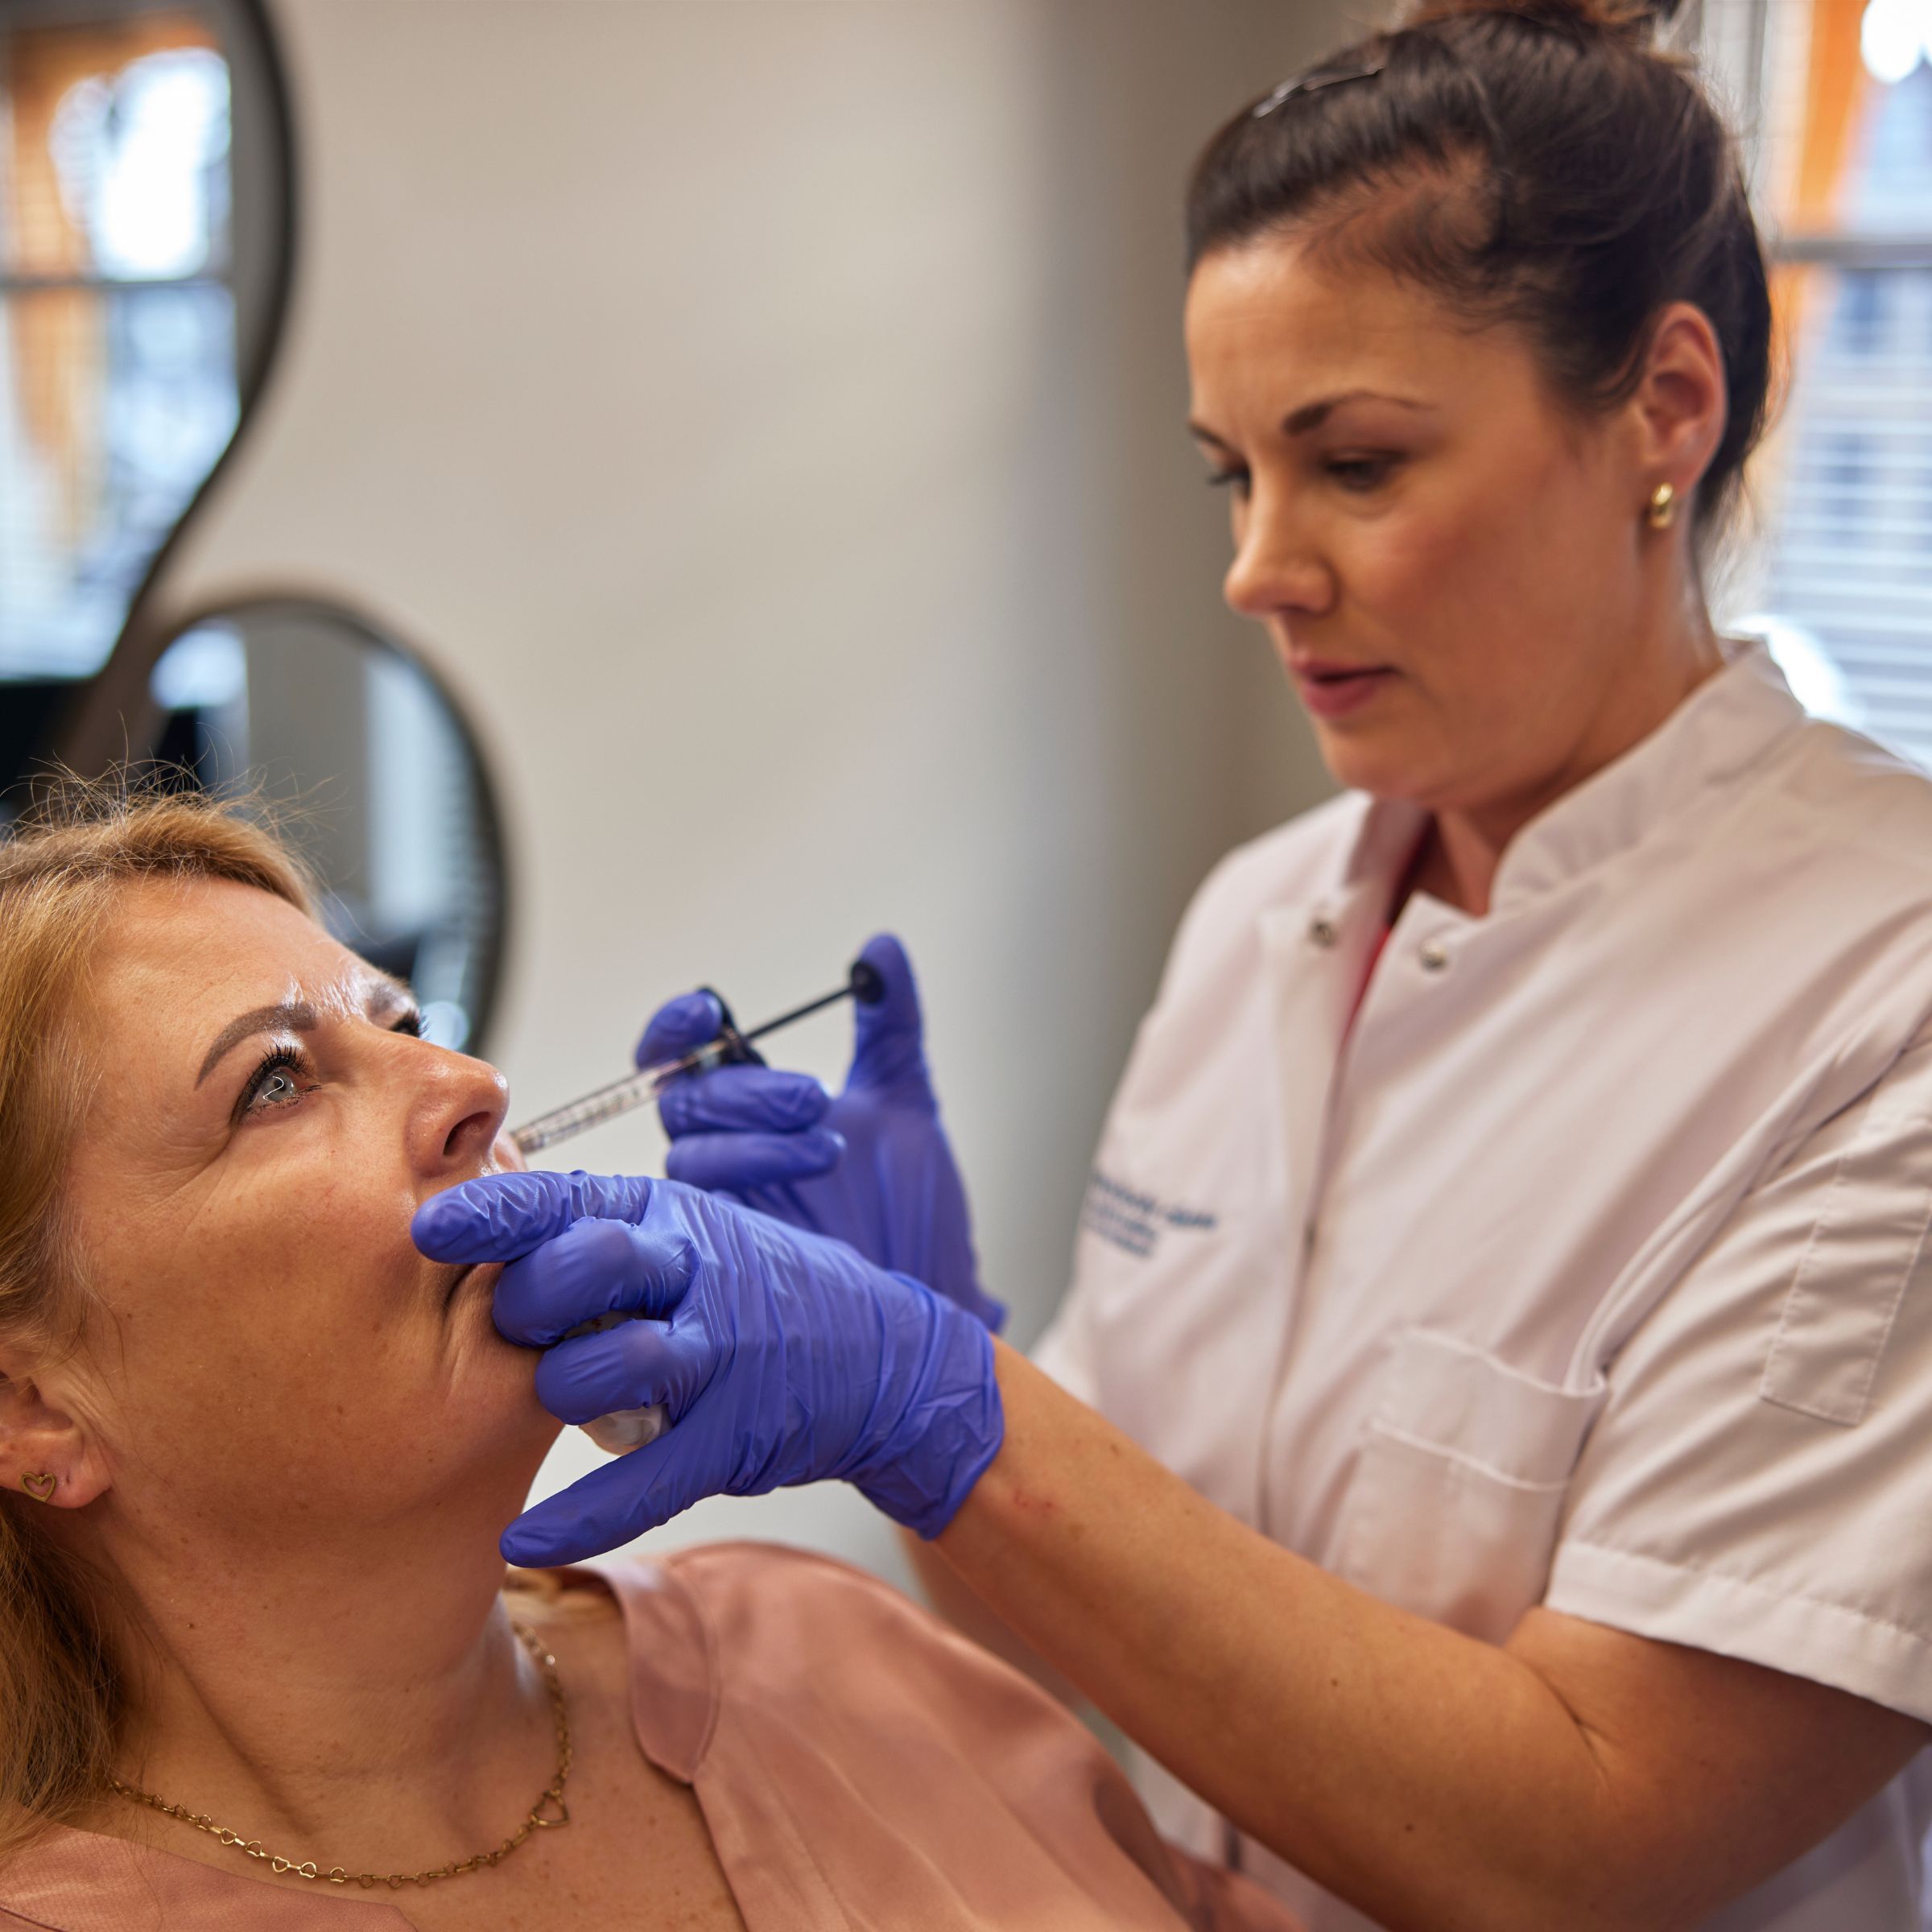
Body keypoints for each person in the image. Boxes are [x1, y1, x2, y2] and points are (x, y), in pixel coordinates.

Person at [425, 1, 1932, 1926]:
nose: (1259, 566)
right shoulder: (1261, 923)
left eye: (1359, 464)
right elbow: (1090, 1643)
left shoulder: (1883, 998)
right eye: (1234, 474)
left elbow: (1588, 1830)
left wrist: (940, 1393)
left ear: (1666, 406)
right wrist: (946, 1342)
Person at [0, 786, 1300, 1932]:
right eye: (276, 1082)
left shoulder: (825, 1654)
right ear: (31, 1406)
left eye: (404, 1022)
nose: (471, 1084)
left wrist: (945, 1377)